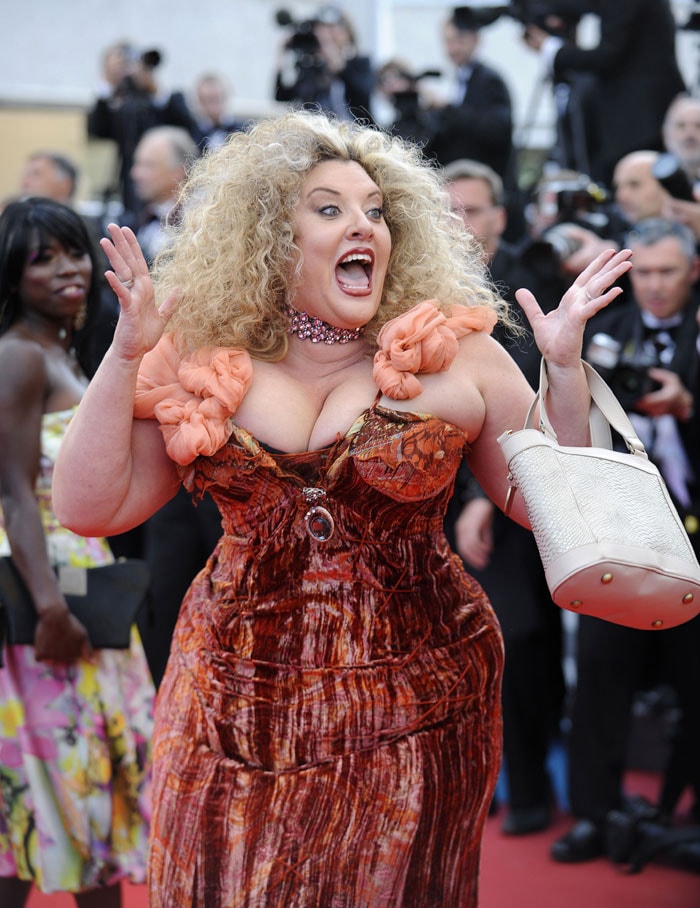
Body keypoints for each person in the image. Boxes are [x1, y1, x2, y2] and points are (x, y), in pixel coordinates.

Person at [52, 109, 632, 905]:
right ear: (270, 235)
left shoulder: (460, 352)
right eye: (329, 208)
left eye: (375, 210)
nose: (363, 225)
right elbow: (89, 508)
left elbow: (551, 508)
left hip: (419, 699)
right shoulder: (197, 352)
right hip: (230, 698)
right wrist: (125, 356)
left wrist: (561, 375)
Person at [0, 197, 154, 905]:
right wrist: (51, 608)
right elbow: (13, 496)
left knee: (80, 801)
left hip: (77, 585)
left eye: (72, 251)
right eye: (42, 259)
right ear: (10, 275)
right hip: (46, 599)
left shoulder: (57, 347)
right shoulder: (18, 356)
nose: (68, 270)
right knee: (44, 802)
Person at [551, 217, 700, 864]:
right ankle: (593, 812)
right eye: (645, 273)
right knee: (601, 673)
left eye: (669, 272)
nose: (656, 287)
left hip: (697, 533)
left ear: (692, 270)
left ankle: (682, 815)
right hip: (623, 529)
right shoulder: (602, 330)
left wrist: (689, 409)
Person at [442, 158, 567, 835]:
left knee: (521, 640)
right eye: (448, 210)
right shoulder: (421, 287)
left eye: (473, 209)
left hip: (522, 484)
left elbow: (534, 393)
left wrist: (485, 496)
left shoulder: (532, 283)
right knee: (474, 645)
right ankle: (487, 785)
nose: (460, 223)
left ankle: (529, 791)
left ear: (500, 216)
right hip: (445, 494)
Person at [523, 0, 686, 188]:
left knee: (636, 185)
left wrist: (552, 50)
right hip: (639, 114)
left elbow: (608, 56)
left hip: (638, 119)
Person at [87, 43, 198, 220]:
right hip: (128, 189)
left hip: (166, 189)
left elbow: (191, 128)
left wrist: (155, 90)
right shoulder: (118, 101)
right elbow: (97, 131)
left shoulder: (165, 98)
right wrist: (109, 86)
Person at [424, 7, 514, 183]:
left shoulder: (490, 80)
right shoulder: (457, 79)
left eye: (459, 40)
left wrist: (447, 109)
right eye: (448, 42)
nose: (453, 48)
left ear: (476, 40)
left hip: (483, 179)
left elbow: (496, 131)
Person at [274, 4, 374, 123]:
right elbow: (281, 98)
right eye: (321, 29)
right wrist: (283, 56)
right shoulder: (310, 66)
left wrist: (329, 51)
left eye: (331, 28)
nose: (326, 35)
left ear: (347, 32)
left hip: (352, 133)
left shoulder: (359, 63)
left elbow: (361, 94)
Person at [129, 125, 198, 265]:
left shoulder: (199, 224)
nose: (135, 174)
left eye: (148, 165)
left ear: (179, 172)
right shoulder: (140, 219)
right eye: (137, 163)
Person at [191, 73, 245, 154]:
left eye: (217, 99)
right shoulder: (193, 134)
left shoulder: (242, 130)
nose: (213, 106)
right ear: (199, 102)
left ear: (225, 98)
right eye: (208, 100)